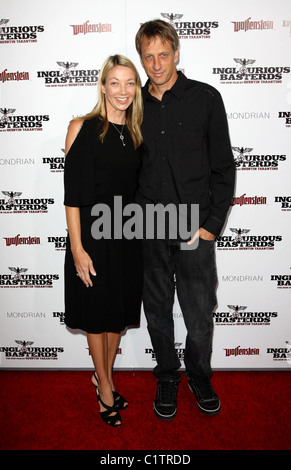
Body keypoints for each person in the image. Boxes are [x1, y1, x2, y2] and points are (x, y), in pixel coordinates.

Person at [135, 20, 235, 420]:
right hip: (148, 225)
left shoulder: (206, 98)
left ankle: (199, 374)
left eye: (163, 54)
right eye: (148, 56)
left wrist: (212, 223)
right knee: (157, 310)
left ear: (176, 53)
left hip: (195, 226)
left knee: (198, 311)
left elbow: (224, 167)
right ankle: (167, 377)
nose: (156, 64)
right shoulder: (133, 104)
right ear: (141, 58)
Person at [63, 55, 143, 427]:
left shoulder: (137, 130)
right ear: (103, 86)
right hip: (93, 239)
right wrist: (78, 249)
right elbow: (72, 196)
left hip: (127, 236)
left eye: (130, 83)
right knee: (97, 317)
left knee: (116, 317)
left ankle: (103, 376)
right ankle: (105, 390)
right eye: (115, 82)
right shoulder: (83, 127)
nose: (123, 91)